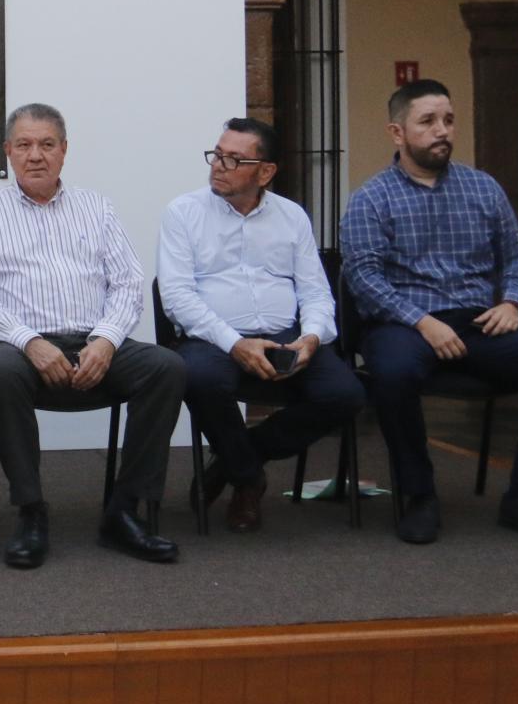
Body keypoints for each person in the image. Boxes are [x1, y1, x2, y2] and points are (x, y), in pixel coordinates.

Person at [341, 78, 518, 546]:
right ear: (397, 133)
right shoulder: (372, 198)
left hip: (477, 320)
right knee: (392, 372)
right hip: (403, 321)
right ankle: (418, 494)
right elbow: (364, 278)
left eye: (448, 120)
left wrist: (511, 301)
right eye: (427, 121)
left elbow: (517, 256)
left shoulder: (483, 188)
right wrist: (422, 322)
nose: (442, 131)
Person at [0, 102, 184, 569]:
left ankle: (124, 511)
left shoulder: (96, 207)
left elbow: (127, 283)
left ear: (64, 151)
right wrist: (29, 341)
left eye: (47, 144)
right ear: (8, 152)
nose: (35, 155)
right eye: (24, 145)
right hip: (18, 346)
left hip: (92, 341)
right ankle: (31, 511)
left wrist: (106, 340)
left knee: (167, 367)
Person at [156, 117, 363, 531]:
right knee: (196, 378)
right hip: (213, 337)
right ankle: (249, 480)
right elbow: (177, 297)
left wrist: (312, 337)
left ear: (265, 171)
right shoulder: (184, 212)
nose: (218, 165)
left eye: (233, 159)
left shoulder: (292, 217)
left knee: (346, 394)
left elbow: (316, 293)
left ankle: (238, 458)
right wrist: (235, 343)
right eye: (216, 154)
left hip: (287, 335)